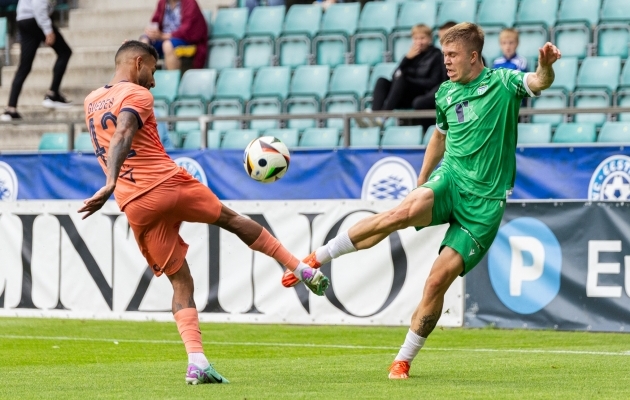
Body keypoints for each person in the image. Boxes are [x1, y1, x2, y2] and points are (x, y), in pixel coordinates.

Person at [282, 23, 561, 379]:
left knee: (435, 281)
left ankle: (403, 359)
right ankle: (315, 258)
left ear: (473, 57)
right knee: (402, 212)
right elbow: (438, 137)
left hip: (485, 204)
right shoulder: (445, 92)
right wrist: (422, 180)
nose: (445, 62)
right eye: (444, 54)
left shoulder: (502, 84)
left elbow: (539, 82)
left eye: (452, 55)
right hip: (451, 179)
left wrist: (547, 65)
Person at [80, 40, 329, 385]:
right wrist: (108, 183)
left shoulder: (91, 101)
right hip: (165, 183)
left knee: (180, 282)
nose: (154, 80)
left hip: (134, 204)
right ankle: (299, 267)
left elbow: (114, 139)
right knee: (231, 220)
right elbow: (123, 130)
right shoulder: (138, 95)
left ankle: (197, 361)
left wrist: (113, 185)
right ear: (138, 63)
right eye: (153, 69)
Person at [361, 24, 446, 129]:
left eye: (422, 38)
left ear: (429, 39)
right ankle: (375, 115)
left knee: (402, 79)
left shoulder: (436, 55)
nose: (419, 41)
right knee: (382, 80)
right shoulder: (411, 55)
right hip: (403, 93)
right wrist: (406, 59)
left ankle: (384, 116)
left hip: (422, 94)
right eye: (416, 38)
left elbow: (434, 82)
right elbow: (394, 75)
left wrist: (409, 80)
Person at [1, 0, 72, 121]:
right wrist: (48, 30)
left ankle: (11, 109)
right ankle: (52, 94)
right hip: (35, 18)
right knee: (65, 52)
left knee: (24, 66)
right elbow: (38, 4)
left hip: (23, 18)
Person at [140, 0, 207, 70]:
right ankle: (146, 78)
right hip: (163, 37)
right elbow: (155, 21)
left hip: (184, 39)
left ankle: (172, 79)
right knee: (143, 42)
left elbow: (188, 30)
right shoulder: (162, 2)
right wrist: (152, 32)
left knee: (167, 45)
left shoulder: (190, 2)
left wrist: (163, 36)